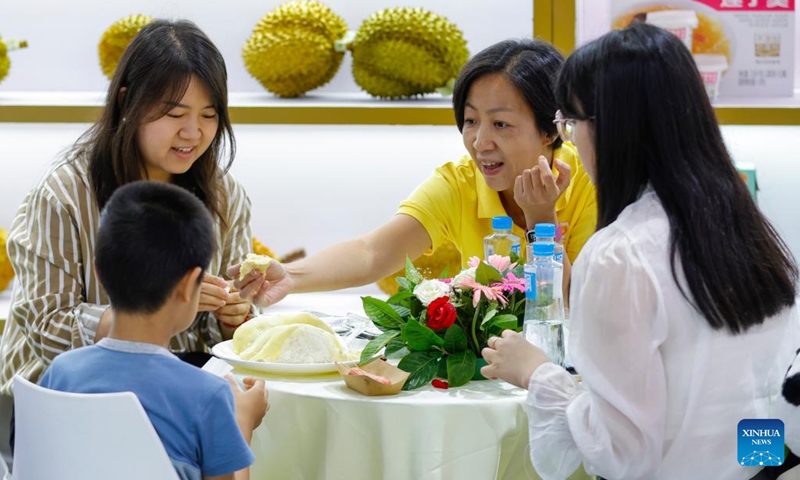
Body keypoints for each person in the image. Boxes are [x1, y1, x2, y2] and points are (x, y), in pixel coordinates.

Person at [480, 22, 800, 480]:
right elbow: (763, 399)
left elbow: (623, 452)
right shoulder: (749, 229)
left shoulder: (620, 255)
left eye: (571, 124)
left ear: (614, 130)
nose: (570, 139)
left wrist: (537, 374)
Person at [232, 39, 597, 307]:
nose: (480, 142)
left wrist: (541, 221)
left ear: (550, 130)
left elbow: (570, 308)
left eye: (501, 124)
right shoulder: (460, 182)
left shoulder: (592, 181)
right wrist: (289, 277)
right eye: (470, 121)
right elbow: (372, 253)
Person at [0, 19, 257, 396]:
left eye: (209, 114)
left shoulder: (225, 195)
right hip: (62, 396)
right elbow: (47, 326)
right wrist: (157, 309)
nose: (193, 132)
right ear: (127, 102)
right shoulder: (64, 194)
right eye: (174, 114)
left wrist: (235, 318)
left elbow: (222, 339)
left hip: (173, 389)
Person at [38, 180, 269, 480]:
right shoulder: (209, 397)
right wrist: (243, 422)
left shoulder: (60, 372)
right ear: (190, 286)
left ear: (99, 271)